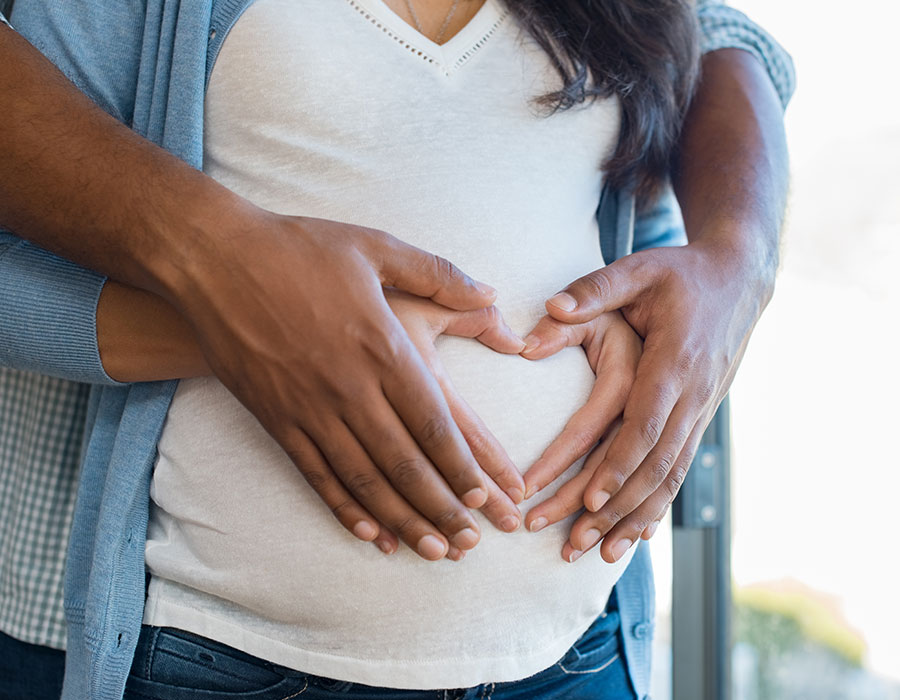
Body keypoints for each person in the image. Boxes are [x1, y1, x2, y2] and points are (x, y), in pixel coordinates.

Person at [0, 1, 794, 699]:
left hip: (578, 654)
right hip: (234, 659)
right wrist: (252, 323)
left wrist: (736, 265)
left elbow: (714, 49)